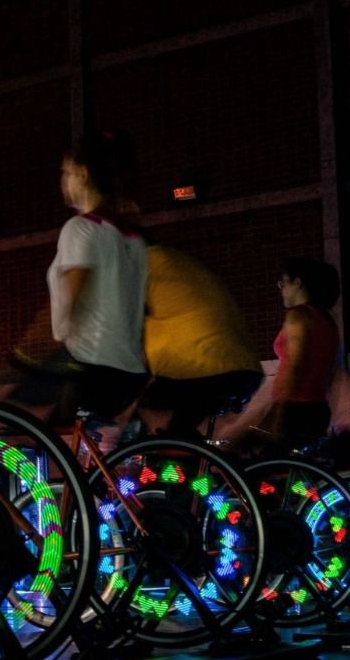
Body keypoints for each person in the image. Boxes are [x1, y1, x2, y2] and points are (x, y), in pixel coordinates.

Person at [31, 131, 150, 426]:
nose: (63, 180)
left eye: (66, 173)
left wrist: (31, 349)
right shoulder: (134, 240)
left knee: (19, 415)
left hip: (90, 367)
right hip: (129, 370)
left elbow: (72, 292)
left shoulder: (81, 228)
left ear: (82, 175)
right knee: (65, 438)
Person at [137, 244, 262, 438]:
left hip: (203, 369)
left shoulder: (143, 263)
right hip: (240, 369)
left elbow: (123, 323)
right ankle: (187, 459)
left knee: (140, 404)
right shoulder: (171, 260)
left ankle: (159, 456)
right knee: (178, 435)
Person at [257, 256, 341, 451]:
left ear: (297, 283)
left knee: (246, 450)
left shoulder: (299, 315)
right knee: (286, 470)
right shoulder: (327, 320)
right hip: (317, 406)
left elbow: (294, 365)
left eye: (283, 283)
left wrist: (278, 411)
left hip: (294, 408)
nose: (282, 290)